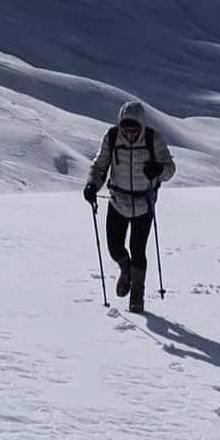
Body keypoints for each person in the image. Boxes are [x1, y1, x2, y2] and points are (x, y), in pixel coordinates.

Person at [84, 100, 176, 312]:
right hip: (118, 200)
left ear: (142, 126)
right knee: (114, 248)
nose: (130, 133)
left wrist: (158, 171)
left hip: (144, 203)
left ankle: (137, 294)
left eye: (134, 129)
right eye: (126, 128)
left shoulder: (153, 139)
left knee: (138, 249)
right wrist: (92, 185)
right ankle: (125, 269)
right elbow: (100, 165)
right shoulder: (112, 137)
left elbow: (170, 168)